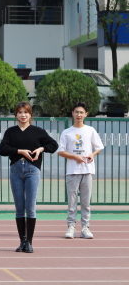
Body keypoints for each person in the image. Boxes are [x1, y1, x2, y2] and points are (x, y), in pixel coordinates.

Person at [0, 102, 58, 253]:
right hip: (16, 170)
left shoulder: (38, 131)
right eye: (20, 112)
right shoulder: (11, 132)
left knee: (30, 208)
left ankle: (29, 242)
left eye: (26, 112)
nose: (23, 115)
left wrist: (41, 148)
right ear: (16, 115)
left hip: (33, 170)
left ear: (30, 114)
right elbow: (2, 149)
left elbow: (54, 145)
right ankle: (22, 241)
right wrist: (20, 151)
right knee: (19, 208)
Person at [57, 102, 104, 239]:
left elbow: (99, 147)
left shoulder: (90, 130)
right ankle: (71, 227)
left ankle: (85, 227)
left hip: (87, 170)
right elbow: (61, 151)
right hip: (72, 171)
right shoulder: (67, 132)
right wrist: (74, 157)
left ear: (86, 114)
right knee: (72, 202)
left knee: (85, 202)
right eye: (76, 112)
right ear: (72, 113)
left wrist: (92, 155)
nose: (79, 114)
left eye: (81, 112)